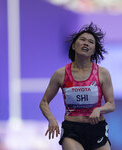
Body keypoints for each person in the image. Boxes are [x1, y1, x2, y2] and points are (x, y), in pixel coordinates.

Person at [39, 22, 115, 150]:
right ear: (74, 46)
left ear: (94, 50)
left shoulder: (103, 73)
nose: (86, 43)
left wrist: (99, 109)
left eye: (91, 42)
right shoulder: (60, 74)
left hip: (97, 129)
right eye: (82, 40)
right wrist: (51, 119)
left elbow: (111, 104)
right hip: (72, 130)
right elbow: (44, 102)